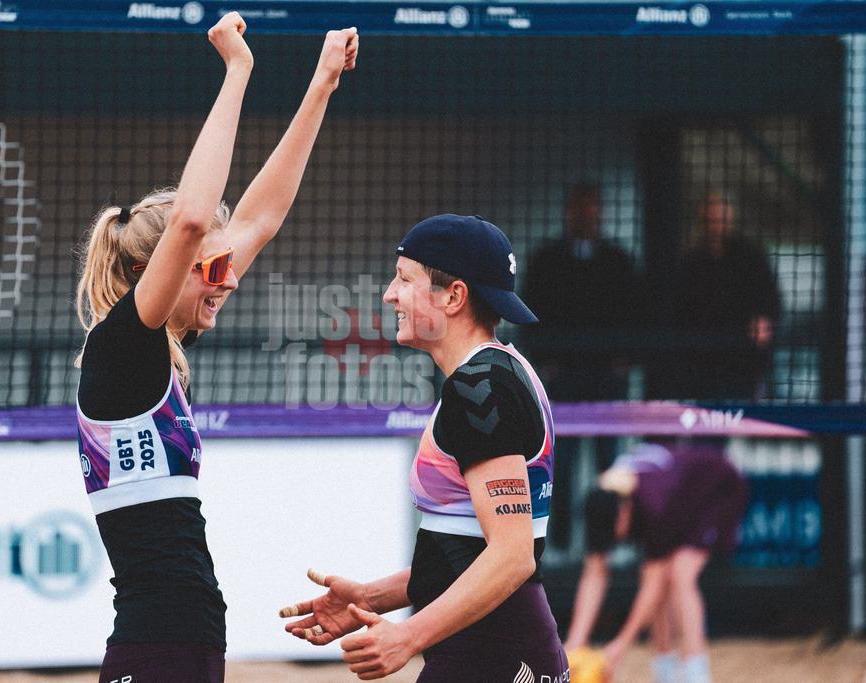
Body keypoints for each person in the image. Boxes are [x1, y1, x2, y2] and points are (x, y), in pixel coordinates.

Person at [73, 14, 357, 682]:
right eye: (210, 269)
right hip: (157, 640)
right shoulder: (123, 346)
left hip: (183, 635)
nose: (227, 281)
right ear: (154, 274)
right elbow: (194, 219)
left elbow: (258, 217)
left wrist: (321, 82)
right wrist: (237, 70)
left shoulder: (160, 348)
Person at [279, 214, 569, 682]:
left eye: (404, 279)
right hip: (496, 646)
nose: (390, 294)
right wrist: (369, 599)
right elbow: (465, 547)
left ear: (453, 296)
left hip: (494, 652)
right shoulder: (498, 371)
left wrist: (408, 636)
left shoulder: (481, 385)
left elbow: (514, 555)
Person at [520, 181, 643, 548]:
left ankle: (607, 541)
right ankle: (558, 541)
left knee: (610, 460)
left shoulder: (618, 261)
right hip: (564, 376)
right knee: (563, 461)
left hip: (607, 376)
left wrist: (625, 360)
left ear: (601, 212)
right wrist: (545, 361)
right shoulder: (548, 260)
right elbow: (531, 312)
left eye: (593, 207)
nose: (586, 215)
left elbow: (635, 313)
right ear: (568, 212)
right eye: (579, 207)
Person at [562, 441, 748, 683]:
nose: (616, 541)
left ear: (626, 510)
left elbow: (653, 585)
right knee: (659, 580)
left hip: (718, 486)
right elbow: (594, 574)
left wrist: (618, 648)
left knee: (680, 575)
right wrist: (574, 646)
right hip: (679, 493)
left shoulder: (654, 503)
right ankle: (666, 670)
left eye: (615, 533)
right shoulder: (602, 501)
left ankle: (696, 671)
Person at [672, 191, 781, 402]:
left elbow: (769, 300)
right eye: (709, 220)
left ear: (730, 220)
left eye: (719, 220)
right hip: (701, 365)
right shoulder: (691, 262)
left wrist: (763, 320)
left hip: (742, 363)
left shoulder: (751, 258)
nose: (715, 226)